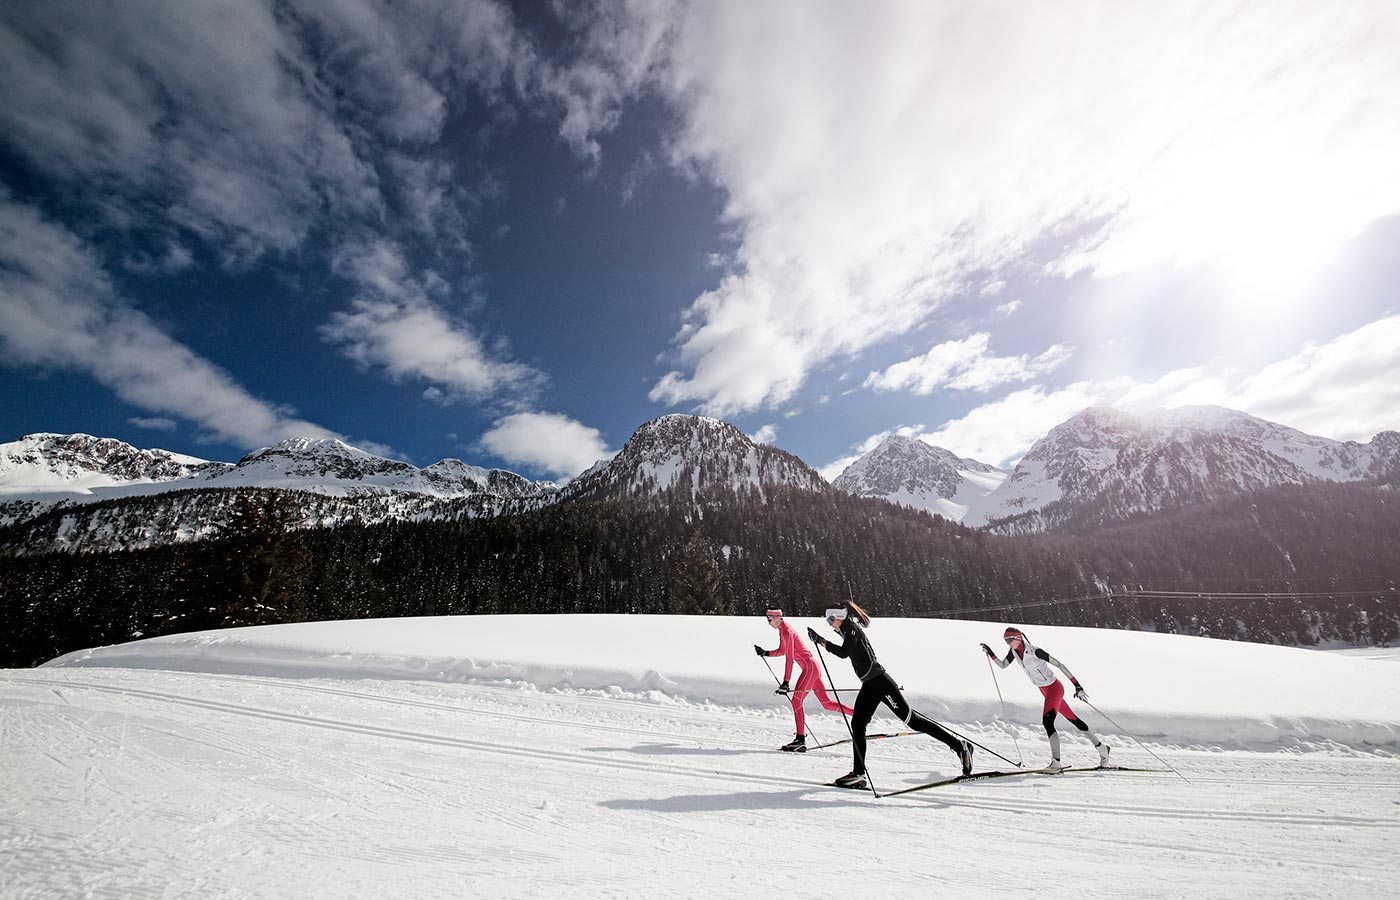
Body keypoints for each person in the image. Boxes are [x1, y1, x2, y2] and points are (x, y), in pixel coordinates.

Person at [807, 602, 972, 789]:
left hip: (880, 683)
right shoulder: (846, 630)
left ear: (839, 616)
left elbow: (844, 653)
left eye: (830, 619)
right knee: (857, 724)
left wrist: (821, 641)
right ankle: (858, 774)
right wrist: (822, 639)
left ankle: (960, 746)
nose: (829, 623)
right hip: (869, 685)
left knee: (914, 721)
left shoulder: (850, 629)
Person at [981, 626, 1111, 772]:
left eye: (1009, 640)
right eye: (1005, 641)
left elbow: (1060, 665)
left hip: (1054, 688)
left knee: (1048, 722)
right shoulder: (1014, 652)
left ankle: (1056, 763)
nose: (1007, 643)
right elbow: (1003, 665)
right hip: (1045, 690)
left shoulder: (1035, 651)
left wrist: (1077, 686)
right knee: (1074, 720)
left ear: (1018, 638)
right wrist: (991, 653)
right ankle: (1102, 748)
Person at [754, 608, 854, 751]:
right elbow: (783, 651)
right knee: (827, 704)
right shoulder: (784, 631)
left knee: (796, 701)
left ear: (777, 618)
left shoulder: (786, 632)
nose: (769, 623)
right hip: (812, 667)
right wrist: (766, 653)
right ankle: (858, 715)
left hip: (810, 668)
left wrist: (786, 682)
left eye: (769, 619)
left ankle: (800, 740)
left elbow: (789, 658)